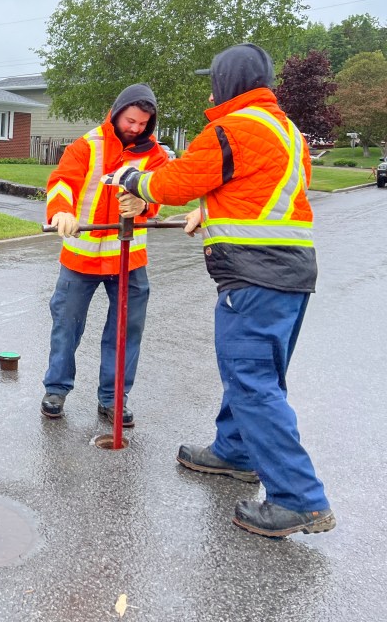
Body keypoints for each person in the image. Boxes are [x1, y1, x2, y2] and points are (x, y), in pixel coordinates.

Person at [104, 43, 334, 538]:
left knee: (252, 380)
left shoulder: (234, 127)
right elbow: (263, 190)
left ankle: (300, 499)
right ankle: (236, 451)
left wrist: (130, 177)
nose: (211, 88)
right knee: (256, 374)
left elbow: (175, 182)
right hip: (290, 274)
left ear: (231, 81)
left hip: (255, 275)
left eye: (215, 79)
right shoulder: (285, 129)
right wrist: (210, 210)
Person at [41, 83, 169, 427]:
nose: (136, 129)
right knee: (66, 325)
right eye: (131, 120)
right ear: (116, 113)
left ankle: (113, 399)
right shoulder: (88, 145)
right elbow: (61, 182)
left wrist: (145, 203)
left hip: (129, 260)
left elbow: (160, 192)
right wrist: (61, 211)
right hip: (81, 257)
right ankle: (56, 389)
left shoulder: (155, 154)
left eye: (143, 123)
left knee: (126, 331)